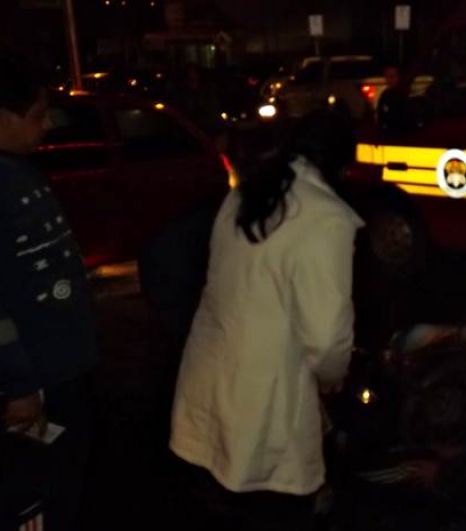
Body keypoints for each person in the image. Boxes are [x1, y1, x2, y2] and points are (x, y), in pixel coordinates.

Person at [169, 110, 364, 530]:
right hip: (264, 406)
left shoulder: (247, 193)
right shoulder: (326, 217)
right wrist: (334, 377)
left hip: (207, 385)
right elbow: (327, 337)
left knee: (216, 504)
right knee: (272, 510)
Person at [0, 50, 98, 531]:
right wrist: (18, 386)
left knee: (63, 480)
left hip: (58, 370)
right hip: (26, 386)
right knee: (32, 493)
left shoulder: (13, 166)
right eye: (38, 115)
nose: (47, 126)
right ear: (5, 115)